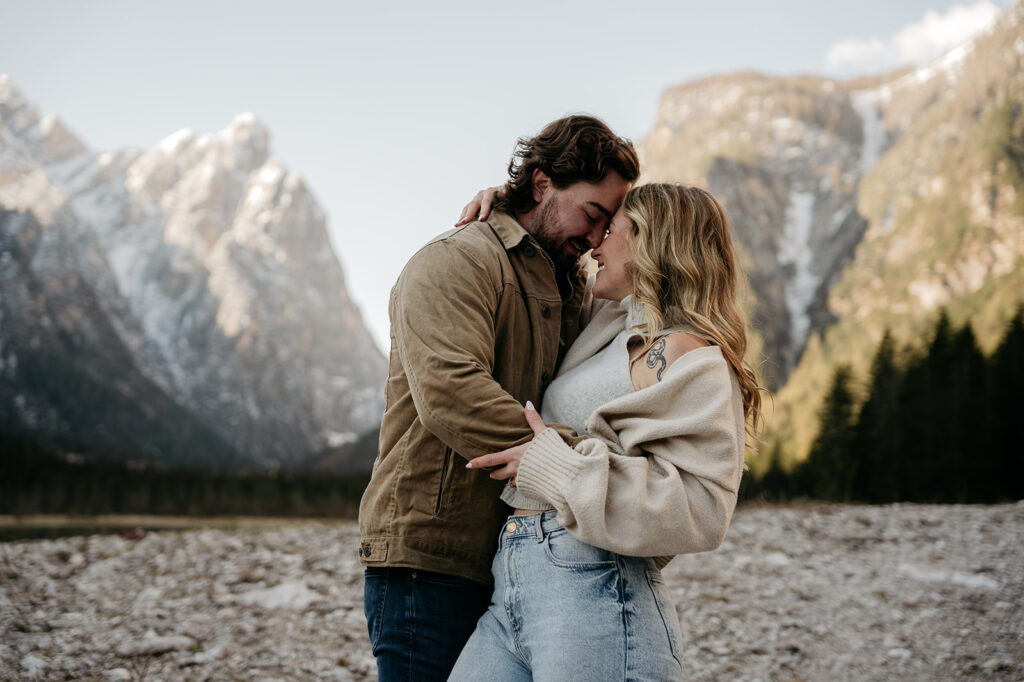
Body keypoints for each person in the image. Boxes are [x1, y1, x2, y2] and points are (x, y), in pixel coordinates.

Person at [357, 115, 640, 681]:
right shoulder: (456, 259)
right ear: (542, 183)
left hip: (511, 554)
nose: (595, 238)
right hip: (431, 559)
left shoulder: (565, 284)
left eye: (607, 225)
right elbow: (453, 394)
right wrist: (581, 464)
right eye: (591, 215)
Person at [448, 183, 763, 680]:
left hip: (595, 585)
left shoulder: (683, 352)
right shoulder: (608, 326)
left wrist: (553, 465)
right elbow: (549, 272)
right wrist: (517, 204)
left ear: (651, 242)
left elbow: (703, 508)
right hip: (516, 576)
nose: (596, 242)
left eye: (611, 230)